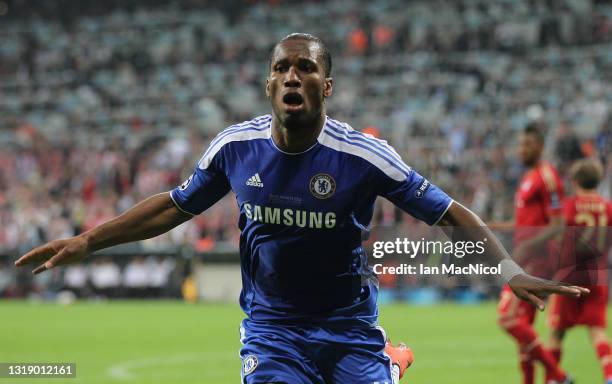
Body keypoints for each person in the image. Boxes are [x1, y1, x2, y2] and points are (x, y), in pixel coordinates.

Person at [15, 33, 587, 384]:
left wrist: (508, 269)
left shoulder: (364, 156)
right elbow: (173, 207)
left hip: (349, 326)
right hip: (273, 328)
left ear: (327, 86)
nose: (293, 75)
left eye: (306, 67)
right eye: (282, 67)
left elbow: (450, 212)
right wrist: (89, 240)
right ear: (269, 84)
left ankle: (387, 362)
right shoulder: (235, 148)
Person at [497, 124, 573, 384]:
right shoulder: (528, 177)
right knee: (523, 329)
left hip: (536, 261)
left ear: (540, 146)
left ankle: (560, 377)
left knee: (507, 318)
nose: (522, 149)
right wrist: (492, 226)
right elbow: (526, 223)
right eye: (520, 144)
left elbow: (558, 225)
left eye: (527, 144)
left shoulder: (547, 177)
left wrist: (528, 246)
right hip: (526, 258)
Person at [547, 159, 612, 384]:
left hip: (570, 276)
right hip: (598, 275)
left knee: (557, 332)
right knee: (597, 331)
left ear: (575, 182)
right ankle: (609, 376)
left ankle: (553, 379)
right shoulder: (608, 207)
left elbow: (557, 235)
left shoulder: (570, 205)